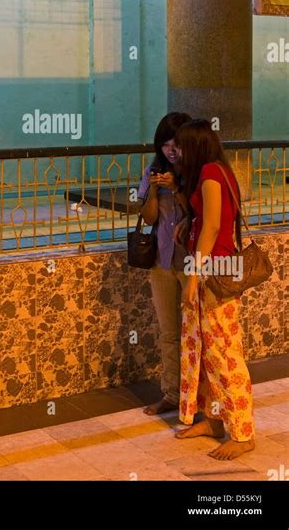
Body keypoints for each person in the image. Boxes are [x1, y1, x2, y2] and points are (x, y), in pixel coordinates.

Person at [173, 119, 255, 460]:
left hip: (215, 270)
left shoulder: (210, 172)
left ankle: (243, 431)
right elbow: (206, 221)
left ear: (195, 145)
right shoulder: (216, 169)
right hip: (211, 267)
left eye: (180, 146)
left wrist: (192, 276)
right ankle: (212, 419)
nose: (176, 151)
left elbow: (214, 227)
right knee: (203, 349)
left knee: (223, 352)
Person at [138, 112, 191, 415]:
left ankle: (196, 396)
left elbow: (198, 212)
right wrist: (156, 190)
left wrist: (176, 188)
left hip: (190, 262)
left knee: (194, 332)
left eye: (176, 144)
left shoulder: (195, 171)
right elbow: (148, 218)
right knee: (168, 332)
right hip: (161, 259)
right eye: (165, 144)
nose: (171, 150)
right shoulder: (153, 170)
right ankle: (171, 393)